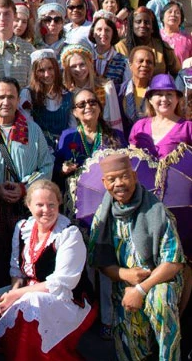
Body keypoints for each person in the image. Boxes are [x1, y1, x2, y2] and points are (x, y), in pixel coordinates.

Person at [88, 153, 185, 361]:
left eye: (124, 176)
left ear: (134, 176)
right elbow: (101, 261)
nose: (119, 184)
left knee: (160, 300)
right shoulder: (103, 215)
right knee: (129, 343)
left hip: (159, 281)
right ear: (105, 183)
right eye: (112, 179)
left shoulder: (157, 210)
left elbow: (174, 262)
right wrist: (124, 274)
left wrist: (141, 289)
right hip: (124, 286)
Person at [0, 180, 95, 359]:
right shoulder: (22, 228)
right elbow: (17, 271)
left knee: (31, 304)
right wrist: (13, 294)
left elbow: (62, 283)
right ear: (29, 205)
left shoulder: (68, 234)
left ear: (59, 204)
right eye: (40, 205)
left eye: (51, 204)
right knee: (1, 305)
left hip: (69, 298)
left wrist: (17, 295)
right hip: (31, 291)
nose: (46, 210)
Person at [0, 77, 54, 292]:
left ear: (18, 100)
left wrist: (25, 188)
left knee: (27, 262)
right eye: (1, 97)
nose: (6, 102)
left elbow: (46, 165)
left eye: (11, 97)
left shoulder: (33, 130)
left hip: (25, 207)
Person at [128, 74, 192, 159]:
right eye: (159, 94)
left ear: (177, 99)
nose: (164, 99)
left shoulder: (187, 128)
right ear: (150, 100)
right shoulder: (139, 126)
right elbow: (131, 160)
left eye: (169, 94)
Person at [20, 49, 73, 149]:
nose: (47, 74)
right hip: (39, 147)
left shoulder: (66, 94)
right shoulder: (28, 94)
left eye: (50, 68)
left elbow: (72, 128)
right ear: (34, 73)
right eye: (41, 70)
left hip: (64, 148)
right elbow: (29, 127)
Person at [115, 7, 180, 77]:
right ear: (132, 26)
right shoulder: (121, 46)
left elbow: (178, 73)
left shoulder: (163, 47)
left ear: (152, 27)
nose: (142, 25)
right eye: (138, 22)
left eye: (147, 22)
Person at [119, 46, 157, 130]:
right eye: (140, 61)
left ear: (154, 67)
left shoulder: (159, 92)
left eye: (149, 62)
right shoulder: (119, 92)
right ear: (130, 65)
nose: (144, 64)